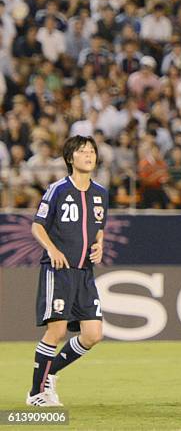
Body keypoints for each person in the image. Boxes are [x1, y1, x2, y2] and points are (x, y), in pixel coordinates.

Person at [27, 136, 108, 406]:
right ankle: (36, 393)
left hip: (85, 271)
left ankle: (52, 374)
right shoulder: (57, 189)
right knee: (57, 331)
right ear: (70, 158)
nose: (89, 155)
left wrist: (99, 245)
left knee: (93, 334)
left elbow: (99, 228)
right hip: (59, 270)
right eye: (83, 151)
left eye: (92, 151)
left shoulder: (101, 193)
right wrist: (52, 249)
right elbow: (37, 226)